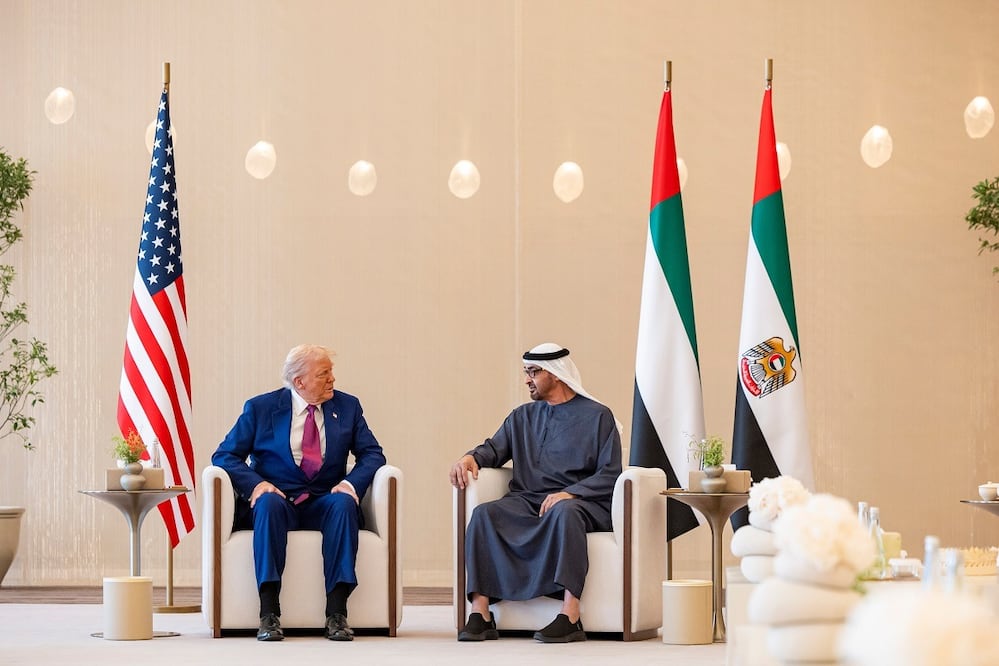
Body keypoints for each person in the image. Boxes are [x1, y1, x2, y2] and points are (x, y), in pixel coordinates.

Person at [449, 342, 622, 643]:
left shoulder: (598, 416)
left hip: (582, 502)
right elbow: (493, 449)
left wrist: (571, 493)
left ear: (555, 374)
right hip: (527, 500)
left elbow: (611, 472)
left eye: (533, 372)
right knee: (484, 514)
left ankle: (570, 615)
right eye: (526, 372)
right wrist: (470, 458)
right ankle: (481, 612)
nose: (527, 379)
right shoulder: (522, 416)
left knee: (563, 512)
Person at [212, 344, 386, 642]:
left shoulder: (347, 407)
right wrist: (256, 484)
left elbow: (373, 455)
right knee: (266, 504)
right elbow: (224, 455)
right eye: (324, 373)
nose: (332, 379)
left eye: (331, 372)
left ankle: (337, 613)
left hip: (324, 500)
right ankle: (268, 613)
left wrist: (350, 484)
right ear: (299, 382)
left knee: (344, 504)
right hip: (279, 501)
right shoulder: (261, 408)